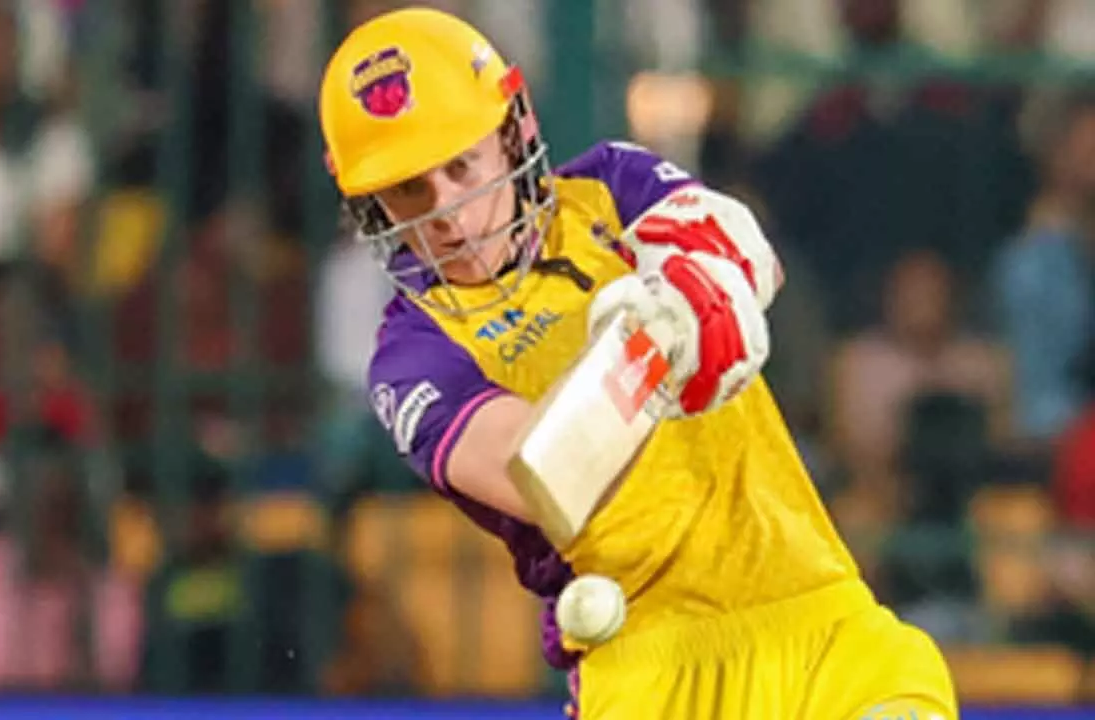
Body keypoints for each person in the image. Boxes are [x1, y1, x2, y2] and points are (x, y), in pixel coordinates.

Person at [318, 7, 956, 719]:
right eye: (409, 188)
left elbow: (746, 256)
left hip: (821, 621)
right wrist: (653, 345)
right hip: (648, 669)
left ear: (512, 132)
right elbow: (542, 475)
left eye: (461, 165)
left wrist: (697, 298)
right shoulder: (411, 358)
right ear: (371, 205)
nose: (447, 212)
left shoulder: (610, 184)